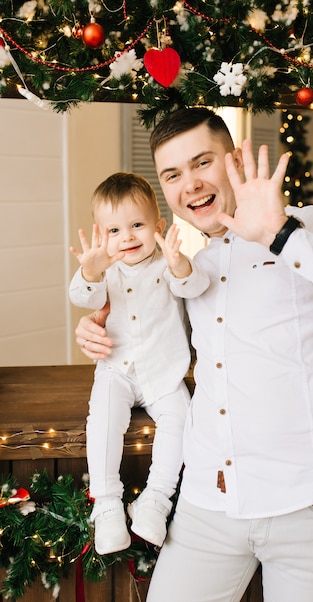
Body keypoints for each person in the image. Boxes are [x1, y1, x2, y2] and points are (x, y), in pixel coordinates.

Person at [75, 108, 313, 602]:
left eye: (202, 162)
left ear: (233, 159)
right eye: (172, 175)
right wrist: (97, 331)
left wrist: (281, 234)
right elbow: (146, 337)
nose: (190, 184)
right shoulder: (185, 269)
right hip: (207, 507)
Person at [69, 172, 209, 555]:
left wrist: (180, 264)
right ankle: (108, 504)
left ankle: (156, 499)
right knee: (103, 418)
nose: (127, 237)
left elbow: (193, 287)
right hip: (116, 370)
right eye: (115, 230)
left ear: (159, 226)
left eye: (137, 225)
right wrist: (92, 269)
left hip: (164, 375)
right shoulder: (105, 270)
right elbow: (81, 295)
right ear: (101, 234)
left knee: (181, 418)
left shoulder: (169, 265)